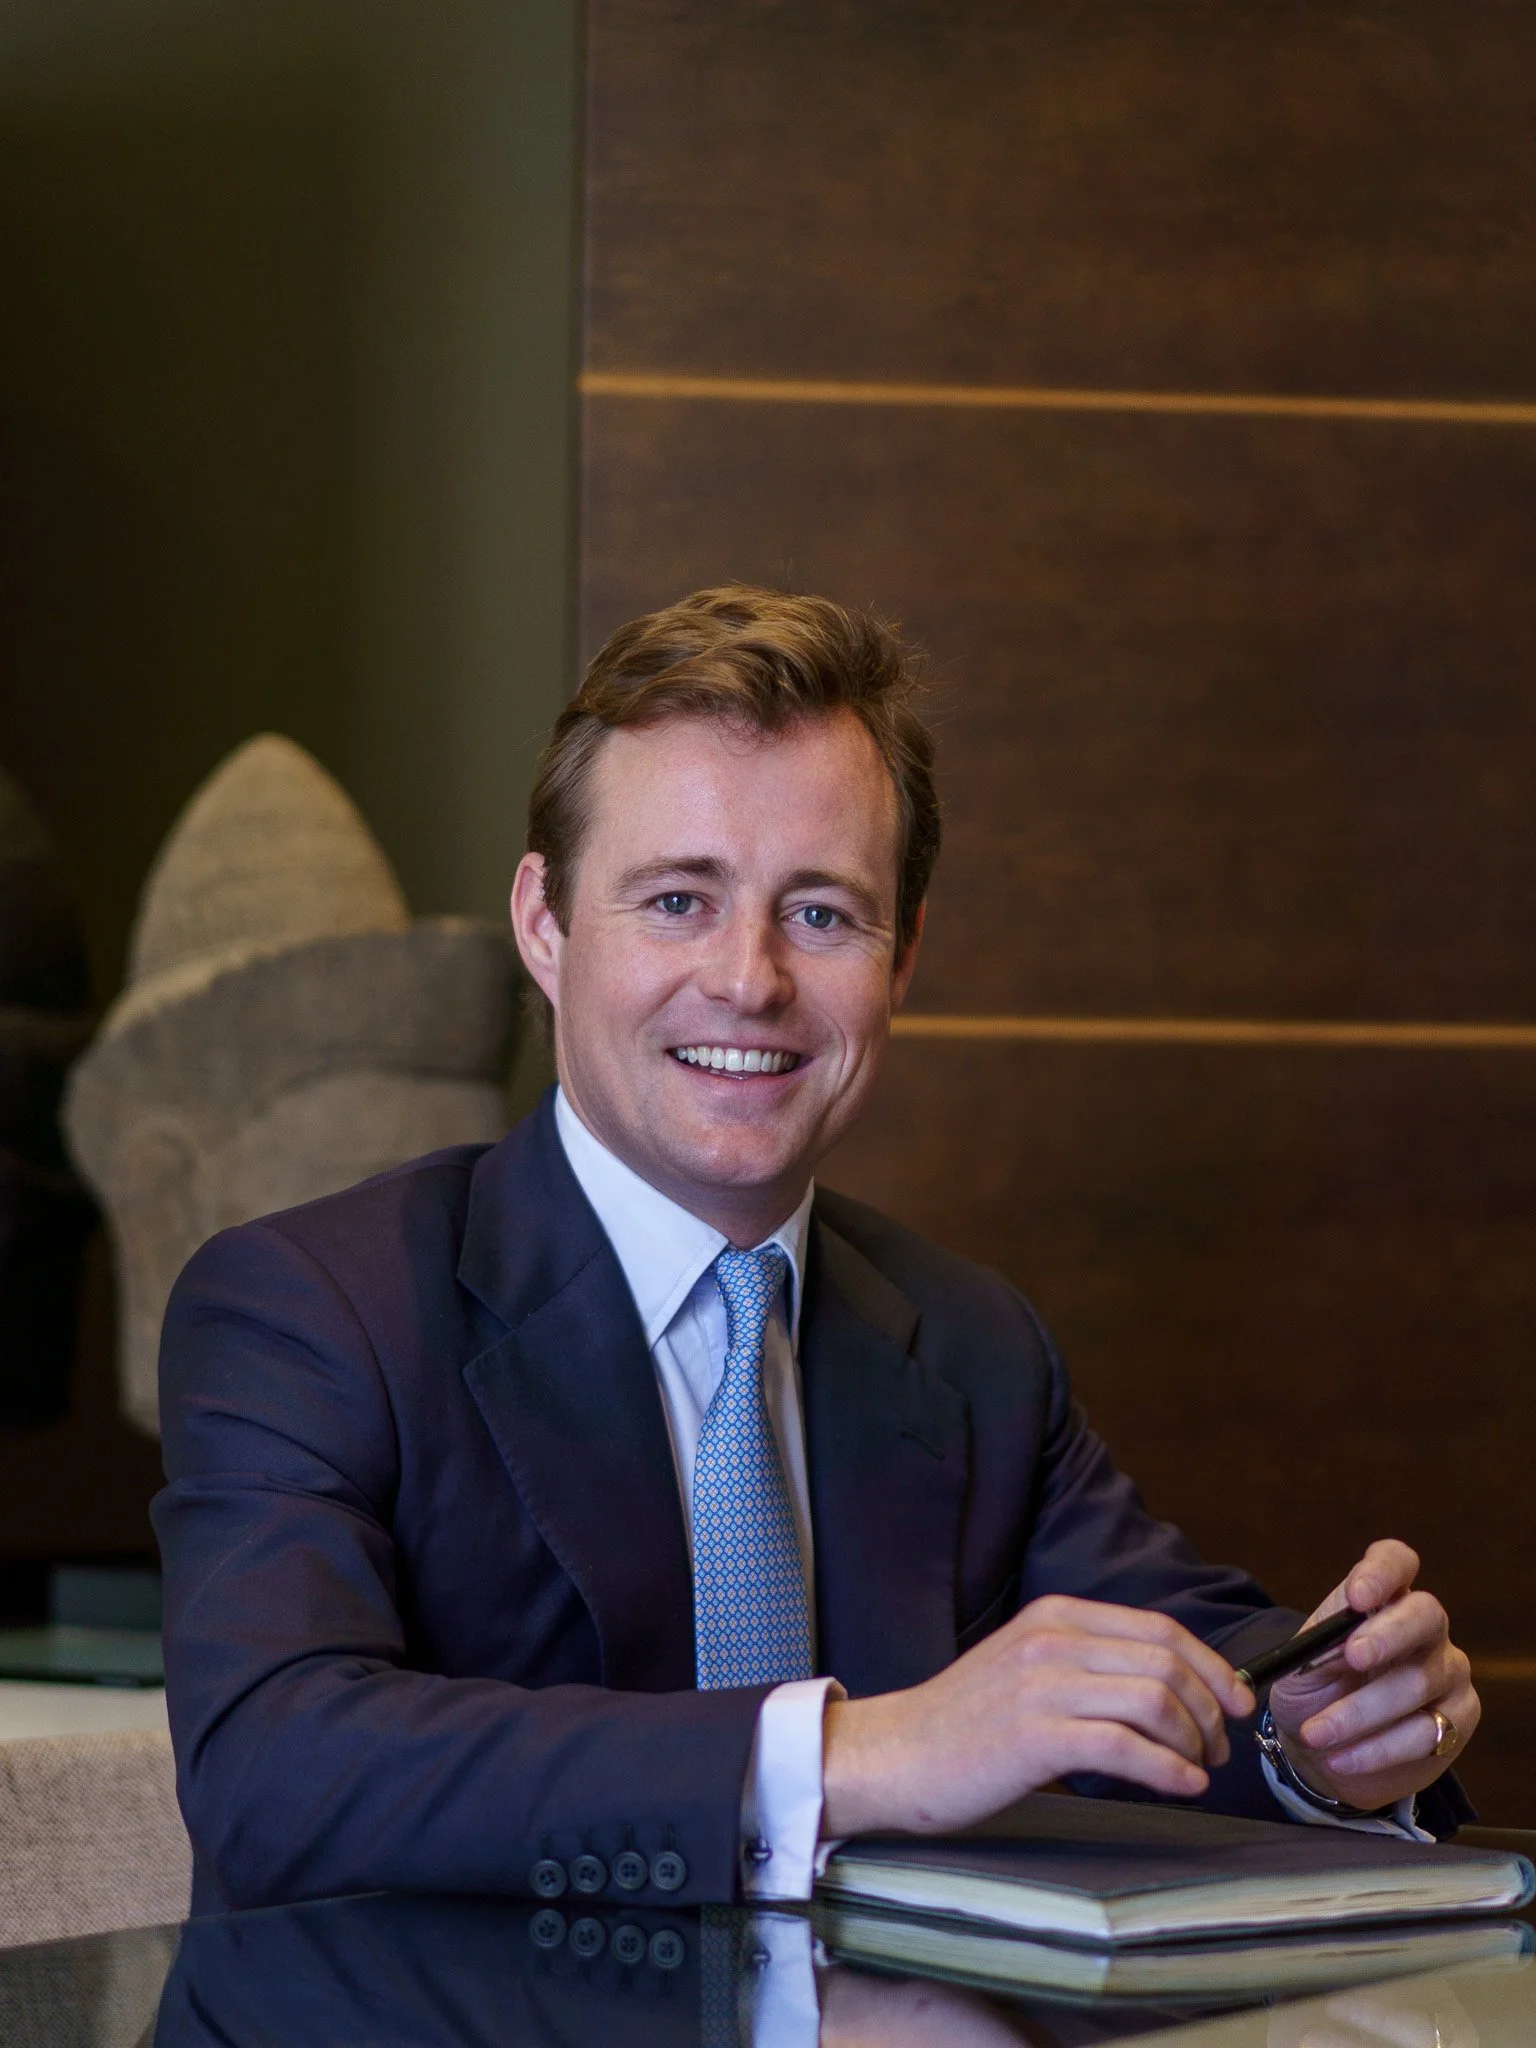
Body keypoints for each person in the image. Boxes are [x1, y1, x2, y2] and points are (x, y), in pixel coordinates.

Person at [155, 586, 1479, 1915]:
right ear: (545, 926)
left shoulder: (970, 1344)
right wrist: (858, 1754)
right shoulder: (314, 1307)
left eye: (822, 914)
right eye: (677, 900)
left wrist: (1316, 1733)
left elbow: (1176, 1673)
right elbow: (274, 1768)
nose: (750, 979)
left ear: (903, 958)